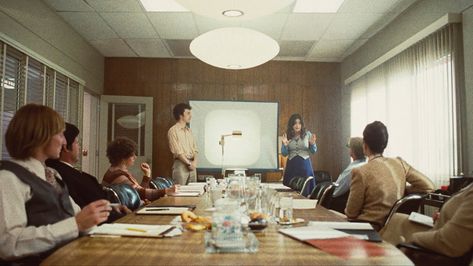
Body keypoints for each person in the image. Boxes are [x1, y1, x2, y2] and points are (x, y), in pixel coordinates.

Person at [0, 104, 110, 263]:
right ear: (42, 136)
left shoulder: (52, 174)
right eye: (60, 134)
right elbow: (8, 245)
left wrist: (93, 218)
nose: (64, 141)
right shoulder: (8, 178)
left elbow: (78, 216)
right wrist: (76, 225)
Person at [345, 121, 435, 230]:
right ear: (385, 143)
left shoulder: (360, 172)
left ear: (365, 145)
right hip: (395, 230)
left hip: (369, 231)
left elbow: (351, 213)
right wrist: (400, 187)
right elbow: (429, 186)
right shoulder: (400, 163)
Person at [46, 123, 130, 222]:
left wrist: (112, 206)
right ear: (66, 147)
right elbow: (81, 210)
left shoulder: (67, 170)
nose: (80, 147)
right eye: (77, 143)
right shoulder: (58, 173)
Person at [380, 183, 473, 258]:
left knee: (396, 225)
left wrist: (412, 238)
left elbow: (452, 241)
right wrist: (444, 215)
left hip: (438, 253)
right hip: (439, 227)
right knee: (397, 218)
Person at [102, 137, 176, 202]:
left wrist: (147, 175)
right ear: (123, 157)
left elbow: (139, 192)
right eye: (132, 155)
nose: (135, 157)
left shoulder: (118, 171)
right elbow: (139, 193)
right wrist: (165, 191)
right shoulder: (118, 176)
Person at [281, 113, 317, 194]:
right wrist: (285, 145)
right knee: (291, 192)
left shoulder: (308, 134)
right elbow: (284, 154)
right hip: (292, 165)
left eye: (299, 123)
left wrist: (312, 144)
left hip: (305, 165)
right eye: (295, 123)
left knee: (306, 191)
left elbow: (313, 151)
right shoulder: (287, 135)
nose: (297, 125)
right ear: (291, 125)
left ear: (302, 124)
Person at [329, 137, 366, 213]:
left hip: (341, 205)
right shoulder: (365, 164)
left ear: (352, 151)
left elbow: (336, 191)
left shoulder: (353, 169)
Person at [167, 103, 198, 185]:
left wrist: (194, 162)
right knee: (180, 193)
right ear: (180, 115)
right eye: (188, 113)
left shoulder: (189, 131)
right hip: (181, 165)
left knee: (193, 193)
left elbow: (195, 149)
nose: (190, 116)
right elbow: (177, 151)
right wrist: (188, 163)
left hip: (192, 166)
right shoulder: (173, 131)